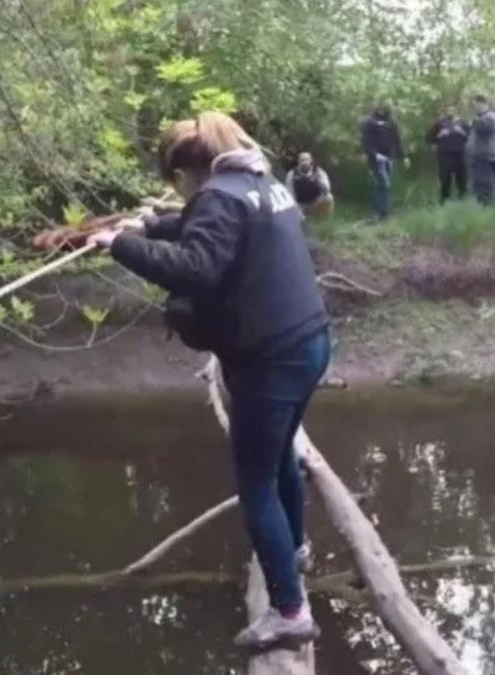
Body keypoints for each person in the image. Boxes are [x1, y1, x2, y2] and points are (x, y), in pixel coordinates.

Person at [78, 112, 330, 650]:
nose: (182, 192)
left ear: (183, 172)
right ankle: (297, 551)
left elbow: (196, 265)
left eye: (176, 183)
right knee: (281, 452)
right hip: (308, 343)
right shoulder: (259, 182)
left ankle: (289, 611)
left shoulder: (219, 194)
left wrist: (118, 245)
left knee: (255, 482)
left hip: (269, 360)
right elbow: (211, 229)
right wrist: (147, 226)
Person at [359, 103, 407, 220]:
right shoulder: (370, 123)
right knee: (384, 184)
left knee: (382, 185)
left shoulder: (391, 123)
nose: (381, 110)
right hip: (376, 158)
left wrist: (403, 156)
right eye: (379, 108)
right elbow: (366, 142)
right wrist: (374, 154)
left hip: (389, 157)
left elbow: (397, 140)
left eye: (384, 108)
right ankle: (380, 211)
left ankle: (381, 212)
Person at [466, 95, 495, 206]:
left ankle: (488, 204)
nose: (474, 108)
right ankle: (481, 204)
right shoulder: (481, 117)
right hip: (477, 155)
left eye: (475, 105)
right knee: (478, 183)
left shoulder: (490, 117)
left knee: (484, 182)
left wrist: (473, 121)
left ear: (481, 104)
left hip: (485, 154)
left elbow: (484, 129)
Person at [425, 106, 469, 204]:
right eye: (448, 110)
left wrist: (461, 132)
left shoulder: (462, 123)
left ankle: (462, 198)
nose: (450, 112)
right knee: (445, 178)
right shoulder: (439, 124)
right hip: (445, 154)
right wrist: (438, 137)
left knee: (461, 177)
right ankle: (445, 199)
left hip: (459, 153)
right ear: (445, 112)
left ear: (456, 112)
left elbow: (470, 136)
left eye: (452, 110)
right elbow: (428, 137)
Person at [285, 152, 334, 219]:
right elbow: (289, 194)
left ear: (311, 161)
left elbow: (327, 189)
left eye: (306, 159)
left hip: (315, 203)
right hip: (300, 204)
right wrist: (296, 210)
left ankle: (323, 219)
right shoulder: (292, 174)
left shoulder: (319, 172)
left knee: (329, 198)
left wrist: (322, 183)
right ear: (298, 161)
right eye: (302, 160)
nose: (304, 162)